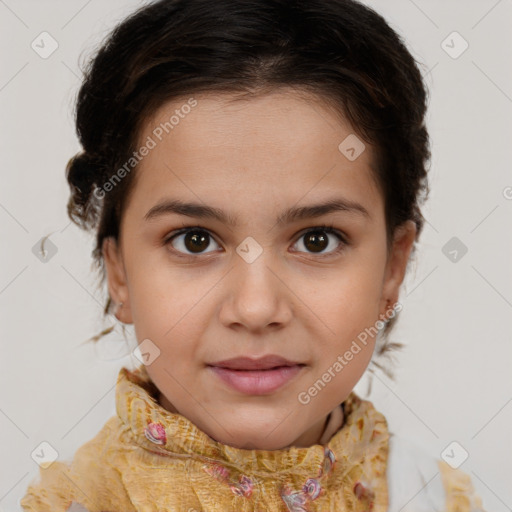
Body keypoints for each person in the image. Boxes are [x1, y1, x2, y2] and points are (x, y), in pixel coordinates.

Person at [20, 0, 487, 510]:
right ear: (120, 274)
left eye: (317, 240)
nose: (256, 308)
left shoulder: (439, 497)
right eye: (194, 240)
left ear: (392, 270)